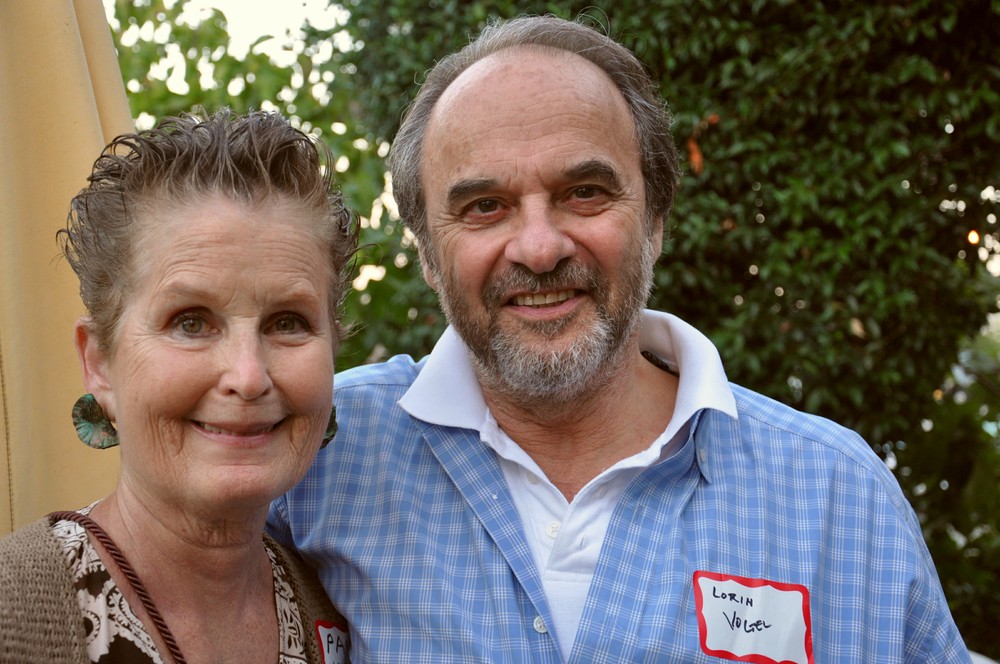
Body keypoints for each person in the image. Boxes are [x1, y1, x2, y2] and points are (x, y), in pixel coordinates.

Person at [268, 15, 971, 663]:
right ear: (426, 251)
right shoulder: (314, 454)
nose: (540, 248)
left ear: (655, 221)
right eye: (485, 206)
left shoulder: (839, 500)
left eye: (585, 193)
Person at [0, 109, 356, 664]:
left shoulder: (334, 609)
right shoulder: (13, 615)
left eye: (287, 322)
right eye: (190, 322)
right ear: (99, 362)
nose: (248, 376)